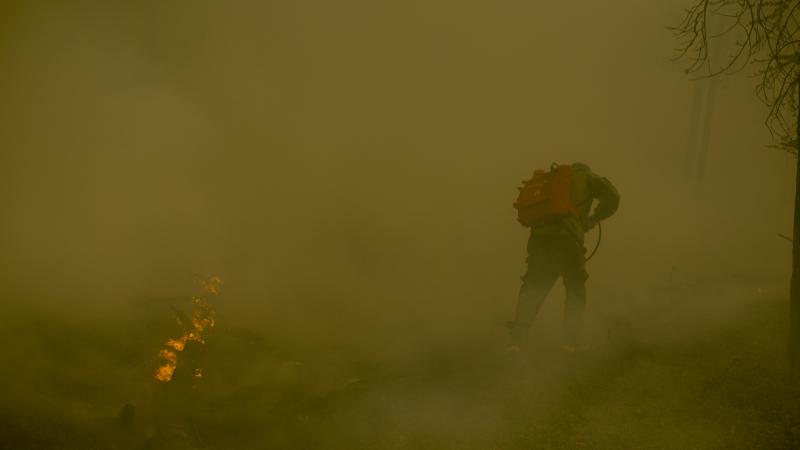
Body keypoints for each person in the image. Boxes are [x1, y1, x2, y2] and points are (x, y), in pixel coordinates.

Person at [508, 162, 619, 351]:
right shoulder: (586, 176)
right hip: (568, 241)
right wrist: (594, 218)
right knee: (575, 289)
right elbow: (613, 197)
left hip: (539, 240)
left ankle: (516, 342)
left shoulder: (548, 180)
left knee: (534, 287)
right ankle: (570, 342)